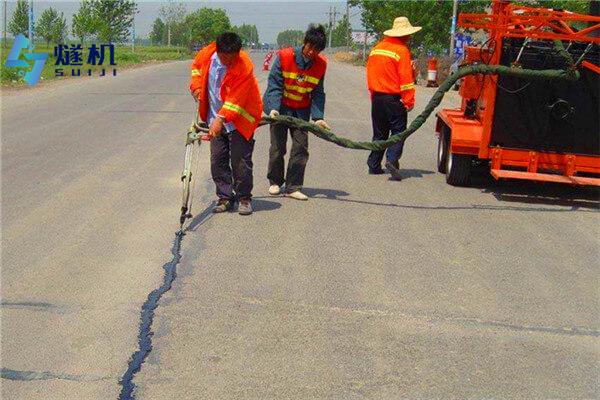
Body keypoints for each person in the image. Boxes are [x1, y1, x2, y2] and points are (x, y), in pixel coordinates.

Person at [189, 32, 263, 215]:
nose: (229, 62)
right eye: (225, 58)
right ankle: (225, 197)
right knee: (217, 158)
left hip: (239, 118)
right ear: (218, 50)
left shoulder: (244, 65)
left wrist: (220, 119)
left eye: (233, 58)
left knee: (240, 161)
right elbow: (196, 70)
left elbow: (235, 100)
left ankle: (244, 198)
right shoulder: (207, 54)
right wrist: (197, 87)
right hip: (214, 116)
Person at [263, 25, 330, 201]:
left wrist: (318, 118)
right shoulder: (285, 56)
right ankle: (275, 181)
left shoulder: (321, 65)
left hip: (301, 110)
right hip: (280, 107)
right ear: (304, 43)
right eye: (310, 47)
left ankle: (293, 186)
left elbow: (317, 92)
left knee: (301, 147)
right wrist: (273, 108)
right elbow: (275, 84)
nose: (312, 52)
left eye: (317, 50)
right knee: (278, 146)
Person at [366, 17, 421, 180]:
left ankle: (374, 165)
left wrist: (373, 96)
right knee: (398, 131)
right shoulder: (401, 51)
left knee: (379, 133)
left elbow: (370, 74)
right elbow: (405, 80)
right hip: (393, 99)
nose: (409, 37)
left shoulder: (377, 49)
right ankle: (391, 160)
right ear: (404, 35)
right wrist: (409, 101)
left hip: (377, 98)